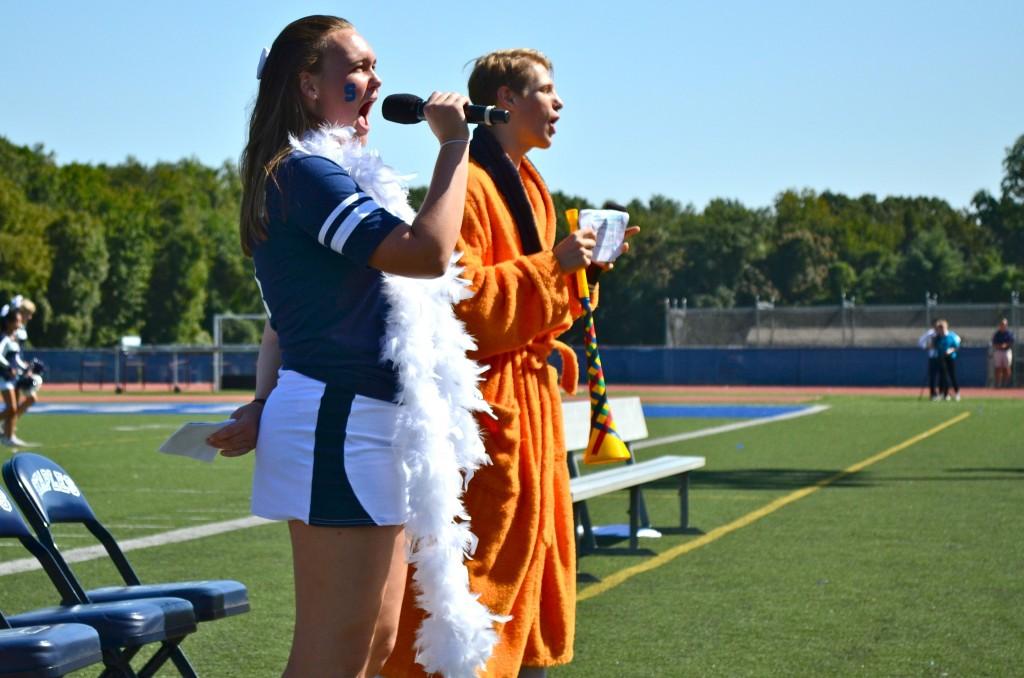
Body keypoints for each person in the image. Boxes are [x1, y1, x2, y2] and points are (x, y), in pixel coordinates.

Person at [209, 15, 501, 677]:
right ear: (308, 86)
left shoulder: (334, 172)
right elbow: (424, 254)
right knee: (331, 655)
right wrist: (455, 148)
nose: (376, 81)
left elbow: (282, 321)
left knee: (373, 643)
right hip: (339, 419)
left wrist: (259, 401)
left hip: (369, 421)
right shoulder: (304, 173)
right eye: (358, 69)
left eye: (375, 67)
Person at [382, 49, 637, 678]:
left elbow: (546, 309)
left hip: (532, 407)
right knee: (473, 583)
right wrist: (558, 267)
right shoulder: (467, 182)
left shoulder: (532, 187)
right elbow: (462, 309)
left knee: (530, 578)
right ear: (505, 99)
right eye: (546, 91)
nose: (558, 104)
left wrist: (585, 271)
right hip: (486, 415)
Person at [0, 305, 42, 447]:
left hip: (12, 377)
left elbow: (16, 359)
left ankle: (9, 436)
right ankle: (7, 434)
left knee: (13, 407)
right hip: (4, 377)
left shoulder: (13, 338)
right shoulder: (4, 338)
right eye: (16, 322)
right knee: (11, 408)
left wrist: (26, 367)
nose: (19, 325)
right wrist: (8, 367)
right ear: (9, 322)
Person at [933, 319, 961, 401]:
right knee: (942, 376)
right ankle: (944, 394)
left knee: (952, 376)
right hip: (941, 358)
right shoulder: (937, 338)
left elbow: (956, 346)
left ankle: (957, 393)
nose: (941, 330)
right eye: (939, 328)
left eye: (942, 328)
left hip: (950, 358)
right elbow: (935, 346)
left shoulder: (951, 336)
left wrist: (950, 350)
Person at [918, 322, 941, 400]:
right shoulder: (930, 333)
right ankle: (933, 394)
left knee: (943, 376)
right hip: (933, 357)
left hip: (943, 357)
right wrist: (928, 347)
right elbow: (921, 342)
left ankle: (943, 393)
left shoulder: (944, 333)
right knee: (933, 376)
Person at [991, 318, 1014, 388]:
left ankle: (1006, 384)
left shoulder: (1009, 333)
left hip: (1006, 351)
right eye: (1001, 324)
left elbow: (1011, 342)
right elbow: (994, 343)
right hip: (998, 351)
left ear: (1006, 325)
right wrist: (999, 346)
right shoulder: (997, 334)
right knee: (998, 368)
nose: (1002, 326)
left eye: (1004, 324)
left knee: (1006, 368)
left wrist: (1005, 345)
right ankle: (997, 384)